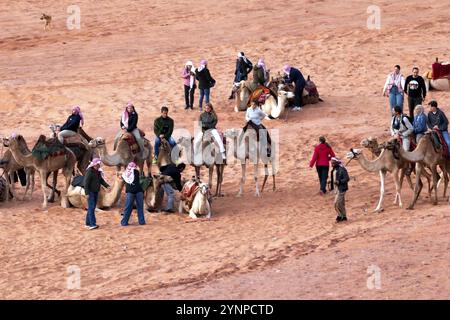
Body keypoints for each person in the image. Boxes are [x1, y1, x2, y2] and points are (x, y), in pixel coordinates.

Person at [84, 158, 110, 230]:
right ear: (94, 164)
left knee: (91, 207)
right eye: (98, 164)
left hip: (96, 191)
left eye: (99, 164)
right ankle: (92, 224)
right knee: (92, 208)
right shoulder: (89, 172)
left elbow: (101, 180)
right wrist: (87, 193)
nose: (99, 165)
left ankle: (87, 223)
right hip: (90, 192)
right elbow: (86, 183)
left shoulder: (97, 171)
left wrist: (107, 186)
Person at [120, 162, 145, 226]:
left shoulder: (124, 174)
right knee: (140, 207)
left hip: (130, 192)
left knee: (128, 207)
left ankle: (124, 222)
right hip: (139, 191)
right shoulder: (136, 172)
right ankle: (141, 222)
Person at [330, 157, 349, 223]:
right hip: (336, 189)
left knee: (336, 203)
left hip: (341, 189)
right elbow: (334, 179)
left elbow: (347, 178)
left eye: (333, 162)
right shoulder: (334, 170)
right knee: (341, 203)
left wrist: (339, 181)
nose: (331, 163)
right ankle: (344, 216)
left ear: (336, 163)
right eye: (331, 162)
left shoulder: (342, 169)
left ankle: (340, 216)